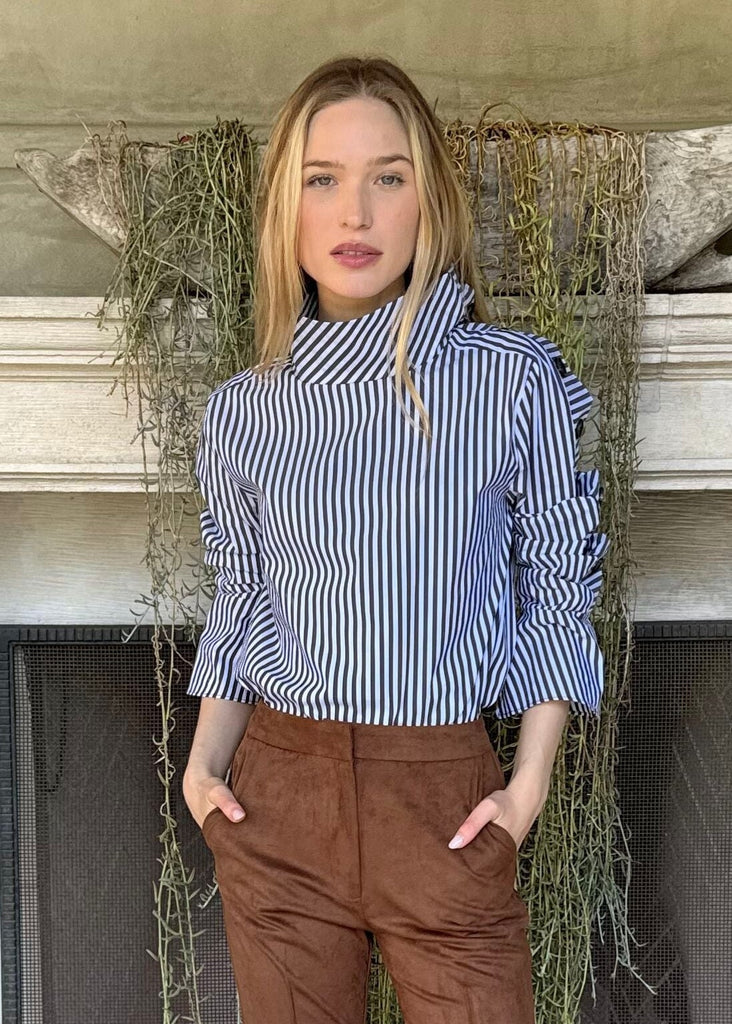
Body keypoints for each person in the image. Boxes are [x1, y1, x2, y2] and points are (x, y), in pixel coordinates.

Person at [182, 54, 609, 1024]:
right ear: (285, 210)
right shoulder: (244, 411)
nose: (355, 214)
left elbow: (555, 580)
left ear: (430, 201)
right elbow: (242, 593)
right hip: (278, 795)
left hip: (443, 801)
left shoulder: (511, 383)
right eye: (321, 180)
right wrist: (204, 770)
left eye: (389, 176)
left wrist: (527, 787)